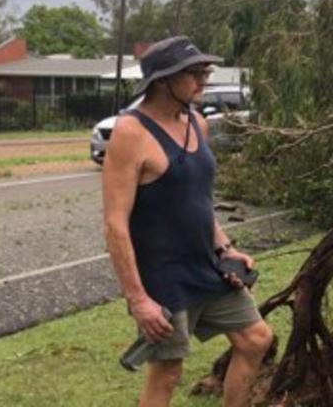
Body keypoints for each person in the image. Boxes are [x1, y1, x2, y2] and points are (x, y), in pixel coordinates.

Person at [102, 36, 273, 407]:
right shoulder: (131, 133)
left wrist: (226, 249)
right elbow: (115, 224)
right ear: (163, 80)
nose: (203, 80)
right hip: (163, 277)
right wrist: (139, 299)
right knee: (168, 373)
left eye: (205, 71)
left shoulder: (197, 123)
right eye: (194, 73)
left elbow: (197, 203)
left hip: (206, 266)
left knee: (256, 339)